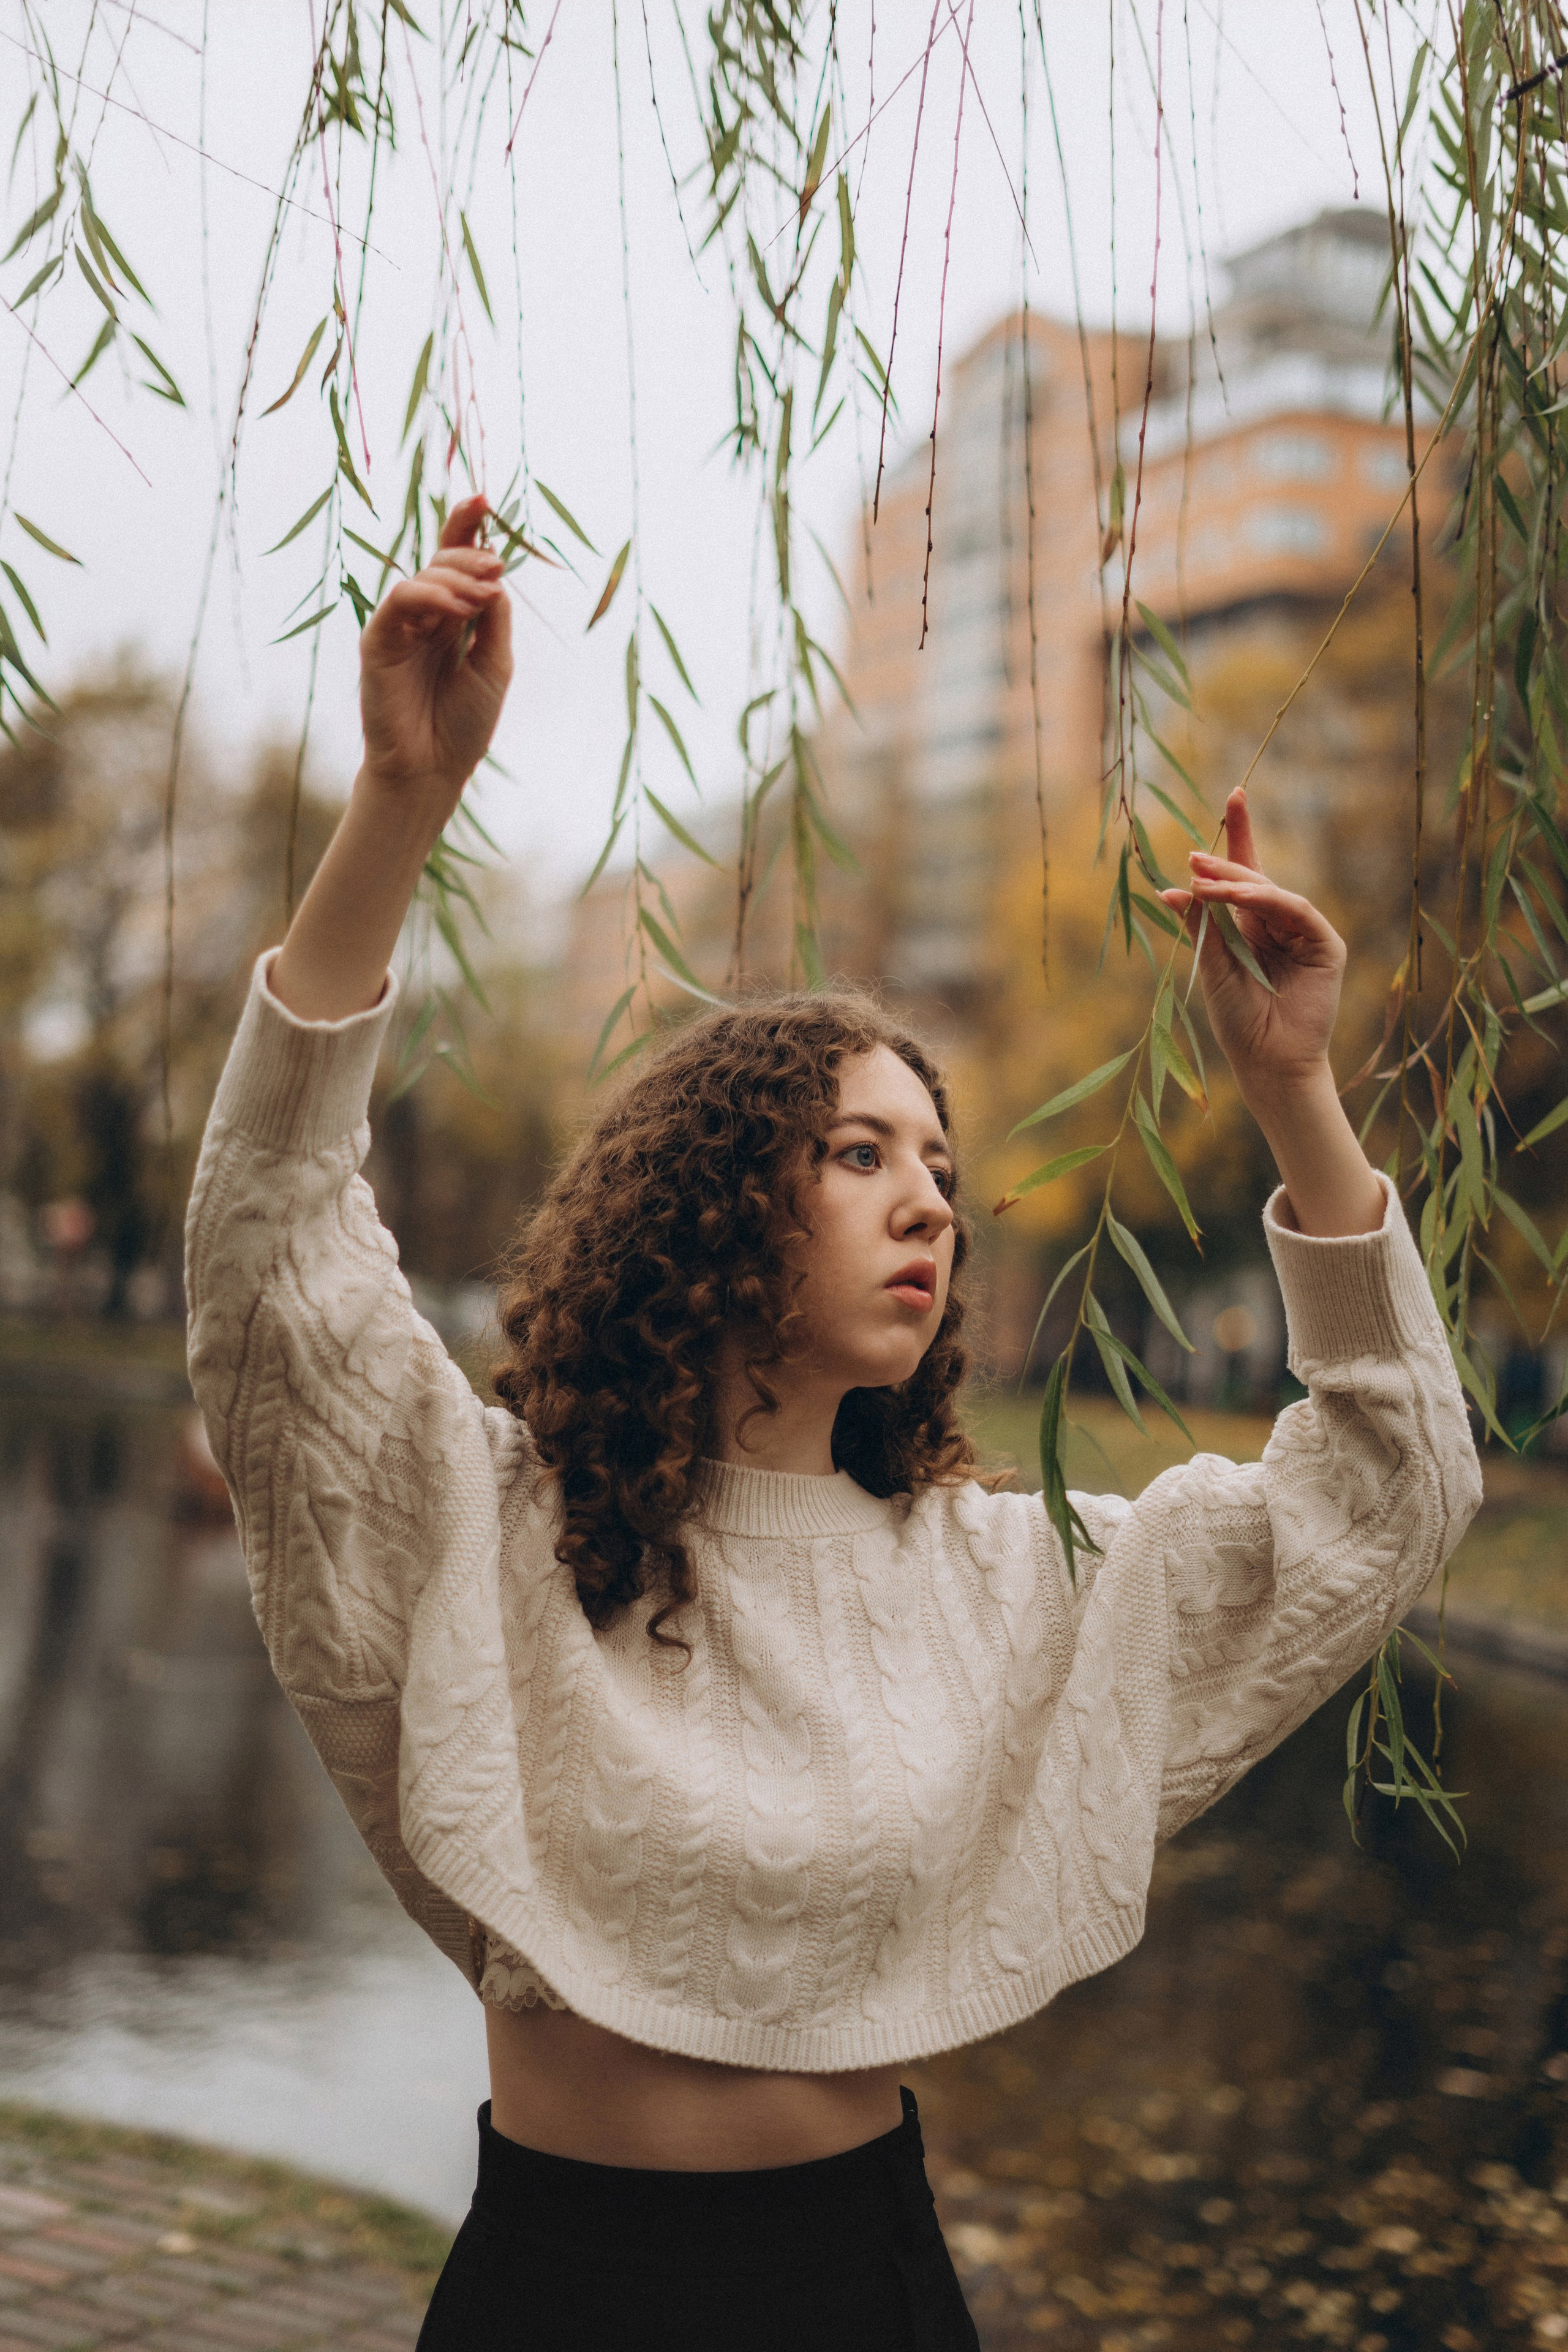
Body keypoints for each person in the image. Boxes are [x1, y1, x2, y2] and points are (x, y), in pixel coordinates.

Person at [185, 499, 1482, 2351]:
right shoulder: (486, 1526)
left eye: (943, 1169)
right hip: (557, 2287)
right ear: (709, 1205)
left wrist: (1294, 1094)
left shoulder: (1004, 1581)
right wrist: (402, 801)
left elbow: (1396, 1485)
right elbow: (271, 1256)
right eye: (861, 1154)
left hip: (862, 2291)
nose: (931, 1205)